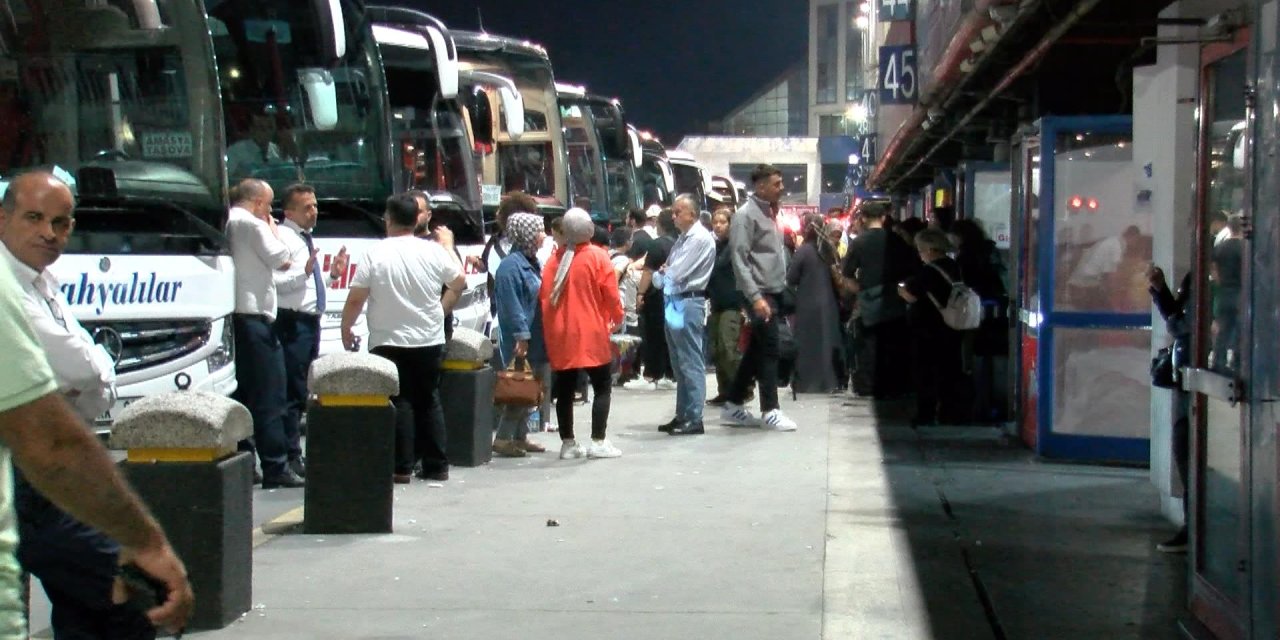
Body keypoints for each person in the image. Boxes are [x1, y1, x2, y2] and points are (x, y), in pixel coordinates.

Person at [0, 172, 193, 638]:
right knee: (120, 589)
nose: (49, 232)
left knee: (88, 607)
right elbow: (57, 432)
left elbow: (85, 365)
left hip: (31, 481)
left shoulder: (41, 282)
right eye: (34, 218)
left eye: (61, 223)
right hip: (31, 475)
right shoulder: (8, 288)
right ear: (2, 219)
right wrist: (145, 543)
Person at [341, 194, 465, 483]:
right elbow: (459, 282)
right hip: (428, 337)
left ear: (388, 219)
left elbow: (357, 297)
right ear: (417, 219)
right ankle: (437, 465)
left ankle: (401, 466)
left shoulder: (376, 253)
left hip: (388, 337)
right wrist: (441, 308)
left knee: (400, 400)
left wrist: (346, 328)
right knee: (429, 399)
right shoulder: (433, 252)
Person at [227, 179, 302, 488]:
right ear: (257, 203)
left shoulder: (227, 221)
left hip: (233, 316)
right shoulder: (253, 225)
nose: (270, 211)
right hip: (256, 316)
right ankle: (275, 465)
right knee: (271, 393)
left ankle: (245, 458)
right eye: (269, 205)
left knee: (241, 391)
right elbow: (283, 260)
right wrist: (272, 228)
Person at [540, 208, 625, 460]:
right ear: (589, 229)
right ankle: (598, 440)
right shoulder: (598, 257)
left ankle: (568, 443)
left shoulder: (554, 261)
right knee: (602, 385)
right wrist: (618, 317)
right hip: (591, 331)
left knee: (564, 389)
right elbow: (611, 294)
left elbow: (544, 297)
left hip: (561, 333)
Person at [720, 164, 798, 431]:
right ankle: (770, 409)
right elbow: (739, 260)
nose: (782, 187)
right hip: (759, 293)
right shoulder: (745, 216)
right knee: (769, 349)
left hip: (773, 291)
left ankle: (732, 404)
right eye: (776, 183)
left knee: (756, 350)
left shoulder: (772, 213)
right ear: (761, 186)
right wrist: (755, 297)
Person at [272, 183, 323, 479]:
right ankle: (291, 454)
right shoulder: (283, 239)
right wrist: (303, 272)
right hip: (291, 322)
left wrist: (330, 274)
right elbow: (275, 282)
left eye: (315, 205)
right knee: (292, 391)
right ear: (289, 211)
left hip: (308, 321)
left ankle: (294, 452)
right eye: (307, 207)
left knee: (302, 388)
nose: (314, 212)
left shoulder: (305, 239)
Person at [844, 201, 920, 399]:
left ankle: (869, 386)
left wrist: (861, 291)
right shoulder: (897, 240)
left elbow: (847, 275)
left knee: (868, 344)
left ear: (862, 219)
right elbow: (913, 270)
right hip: (894, 299)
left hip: (869, 301)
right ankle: (893, 385)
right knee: (893, 343)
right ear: (884, 218)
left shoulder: (859, 242)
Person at [491, 212, 551, 458]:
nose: (543, 235)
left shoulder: (529, 261)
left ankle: (520, 436)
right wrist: (522, 336)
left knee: (530, 384)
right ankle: (504, 438)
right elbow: (512, 306)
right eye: (539, 230)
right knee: (518, 384)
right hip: (522, 337)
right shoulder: (510, 267)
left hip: (534, 334)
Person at [658, 194, 717, 436]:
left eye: (677, 212)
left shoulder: (699, 239)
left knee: (690, 362)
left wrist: (666, 272)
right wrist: (665, 272)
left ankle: (694, 417)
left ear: (692, 214)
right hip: (674, 301)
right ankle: (682, 413)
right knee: (678, 363)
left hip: (688, 301)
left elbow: (675, 273)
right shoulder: (682, 239)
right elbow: (663, 274)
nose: (673, 216)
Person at [898, 228, 966, 426]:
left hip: (928, 329)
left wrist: (900, 290)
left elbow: (912, 294)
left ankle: (926, 414)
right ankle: (950, 412)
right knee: (950, 371)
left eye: (920, 250)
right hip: (953, 326)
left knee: (926, 373)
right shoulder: (954, 266)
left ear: (930, 249)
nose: (920, 254)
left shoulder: (928, 271)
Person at [1148, 264, 1192, 553]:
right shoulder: (1196, 277)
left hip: (1202, 374)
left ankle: (1195, 529)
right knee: (1184, 447)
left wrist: (1176, 319)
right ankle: (1193, 526)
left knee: (1187, 446)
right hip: (1188, 375)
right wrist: (1161, 291)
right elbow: (1176, 317)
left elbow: (1182, 324)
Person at [787, 214, 843, 394]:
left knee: (807, 343)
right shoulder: (829, 249)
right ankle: (830, 382)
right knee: (827, 341)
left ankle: (807, 383)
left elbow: (791, 278)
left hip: (807, 304)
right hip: (830, 304)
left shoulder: (804, 251)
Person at [625, 209, 678, 391]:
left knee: (652, 336)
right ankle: (669, 374)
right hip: (674, 296)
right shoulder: (679, 244)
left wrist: (640, 294)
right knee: (669, 337)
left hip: (655, 296)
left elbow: (647, 272)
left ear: (660, 225)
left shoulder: (657, 245)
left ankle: (651, 375)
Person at [706, 207, 744, 406]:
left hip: (733, 304)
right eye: (715, 222)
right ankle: (725, 391)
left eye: (723, 222)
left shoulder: (735, 245)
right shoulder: (716, 246)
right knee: (717, 350)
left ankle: (742, 389)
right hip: (717, 303)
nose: (718, 226)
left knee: (729, 348)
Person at [226, 112, 283, 180]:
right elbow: (228, 179)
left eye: (270, 127)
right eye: (261, 128)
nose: (266, 132)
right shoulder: (235, 151)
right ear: (252, 129)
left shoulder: (278, 151)